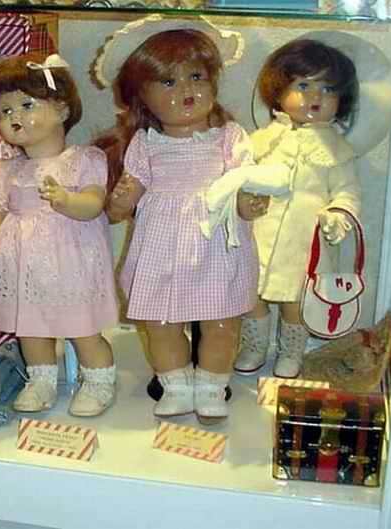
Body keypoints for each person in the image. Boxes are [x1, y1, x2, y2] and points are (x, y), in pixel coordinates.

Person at [95, 17, 270, 424]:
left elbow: (244, 181)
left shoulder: (228, 136)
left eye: (196, 77)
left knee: (221, 320)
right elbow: (129, 192)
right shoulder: (145, 143)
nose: (186, 90)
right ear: (142, 96)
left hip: (216, 244)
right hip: (162, 246)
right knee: (160, 321)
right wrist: (119, 202)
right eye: (168, 82)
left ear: (213, 81)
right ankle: (175, 384)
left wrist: (248, 202)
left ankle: (211, 387)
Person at [0, 52, 118, 417]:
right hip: (23, 267)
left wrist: (67, 200)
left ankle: (98, 380)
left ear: (62, 110)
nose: (14, 116)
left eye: (26, 105)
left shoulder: (83, 160)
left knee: (82, 327)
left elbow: (94, 204)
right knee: (30, 327)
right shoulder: (9, 169)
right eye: (6, 111)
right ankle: (41, 380)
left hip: (70, 263)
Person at [234, 39, 361, 379]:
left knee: (297, 300)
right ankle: (254, 346)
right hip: (258, 235)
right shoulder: (261, 140)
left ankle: (291, 352)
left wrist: (339, 214)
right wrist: (242, 200)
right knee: (251, 295)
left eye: (328, 88)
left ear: (342, 99)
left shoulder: (337, 149)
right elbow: (240, 178)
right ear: (279, 91)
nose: (315, 96)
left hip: (305, 241)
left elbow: (347, 191)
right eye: (303, 85)